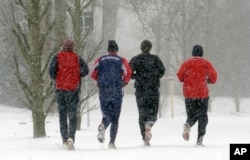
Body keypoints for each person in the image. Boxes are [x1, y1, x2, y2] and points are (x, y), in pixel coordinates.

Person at [49, 38, 89, 150]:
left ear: (63, 46)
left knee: (62, 115)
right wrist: (77, 74)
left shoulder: (57, 57)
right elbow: (86, 70)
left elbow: (51, 72)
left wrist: (57, 76)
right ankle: (71, 137)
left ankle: (64, 139)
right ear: (72, 47)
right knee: (72, 115)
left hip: (60, 89)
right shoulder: (77, 57)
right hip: (73, 89)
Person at [91, 40, 132, 149]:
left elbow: (93, 72)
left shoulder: (101, 60)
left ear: (108, 50)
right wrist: (124, 82)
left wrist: (99, 81)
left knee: (106, 113)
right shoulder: (121, 60)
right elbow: (128, 73)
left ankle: (103, 126)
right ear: (116, 50)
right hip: (116, 90)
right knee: (115, 117)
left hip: (104, 89)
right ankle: (112, 142)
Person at [176, 45, 217, 146]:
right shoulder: (206, 63)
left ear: (192, 53)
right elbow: (214, 76)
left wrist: (187, 79)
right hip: (202, 94)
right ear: (202, 53)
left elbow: (180, 76)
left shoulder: (186, 63)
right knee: (203, 117)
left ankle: (188, 125)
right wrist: (208, 81)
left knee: (192, 115)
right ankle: (200, 139)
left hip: (189, 94)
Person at [129, 39, 165, 146]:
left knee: (142, 114)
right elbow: (162, 70)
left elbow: (129, 71)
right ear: (150, 48)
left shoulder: (136, 59)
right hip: (153, 89)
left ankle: (144, 137)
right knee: (153, 111)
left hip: (140, 90)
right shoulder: (155, 59)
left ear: (141, 48)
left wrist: (137, 76)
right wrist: (154, 76)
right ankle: (150, 123)